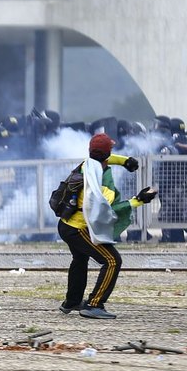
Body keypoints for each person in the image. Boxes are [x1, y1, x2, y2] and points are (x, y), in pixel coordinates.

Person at [57, 133, 155, 319]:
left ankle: (72, 301)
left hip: (65, 224)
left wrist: (125, 161)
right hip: (78, 229)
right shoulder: (101, 182)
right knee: (112, 261)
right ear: (106, 154)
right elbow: (108, 210)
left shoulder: (87, 163)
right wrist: (139, 200)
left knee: (80, 259)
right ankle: (94, 304)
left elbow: (104, 157)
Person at [155, 118, 187, 243]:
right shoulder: (184, 140)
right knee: (177, 214)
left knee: (173, 214)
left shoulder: (175, 142)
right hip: (178, 182)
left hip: (174, 183)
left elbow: (166, 154)